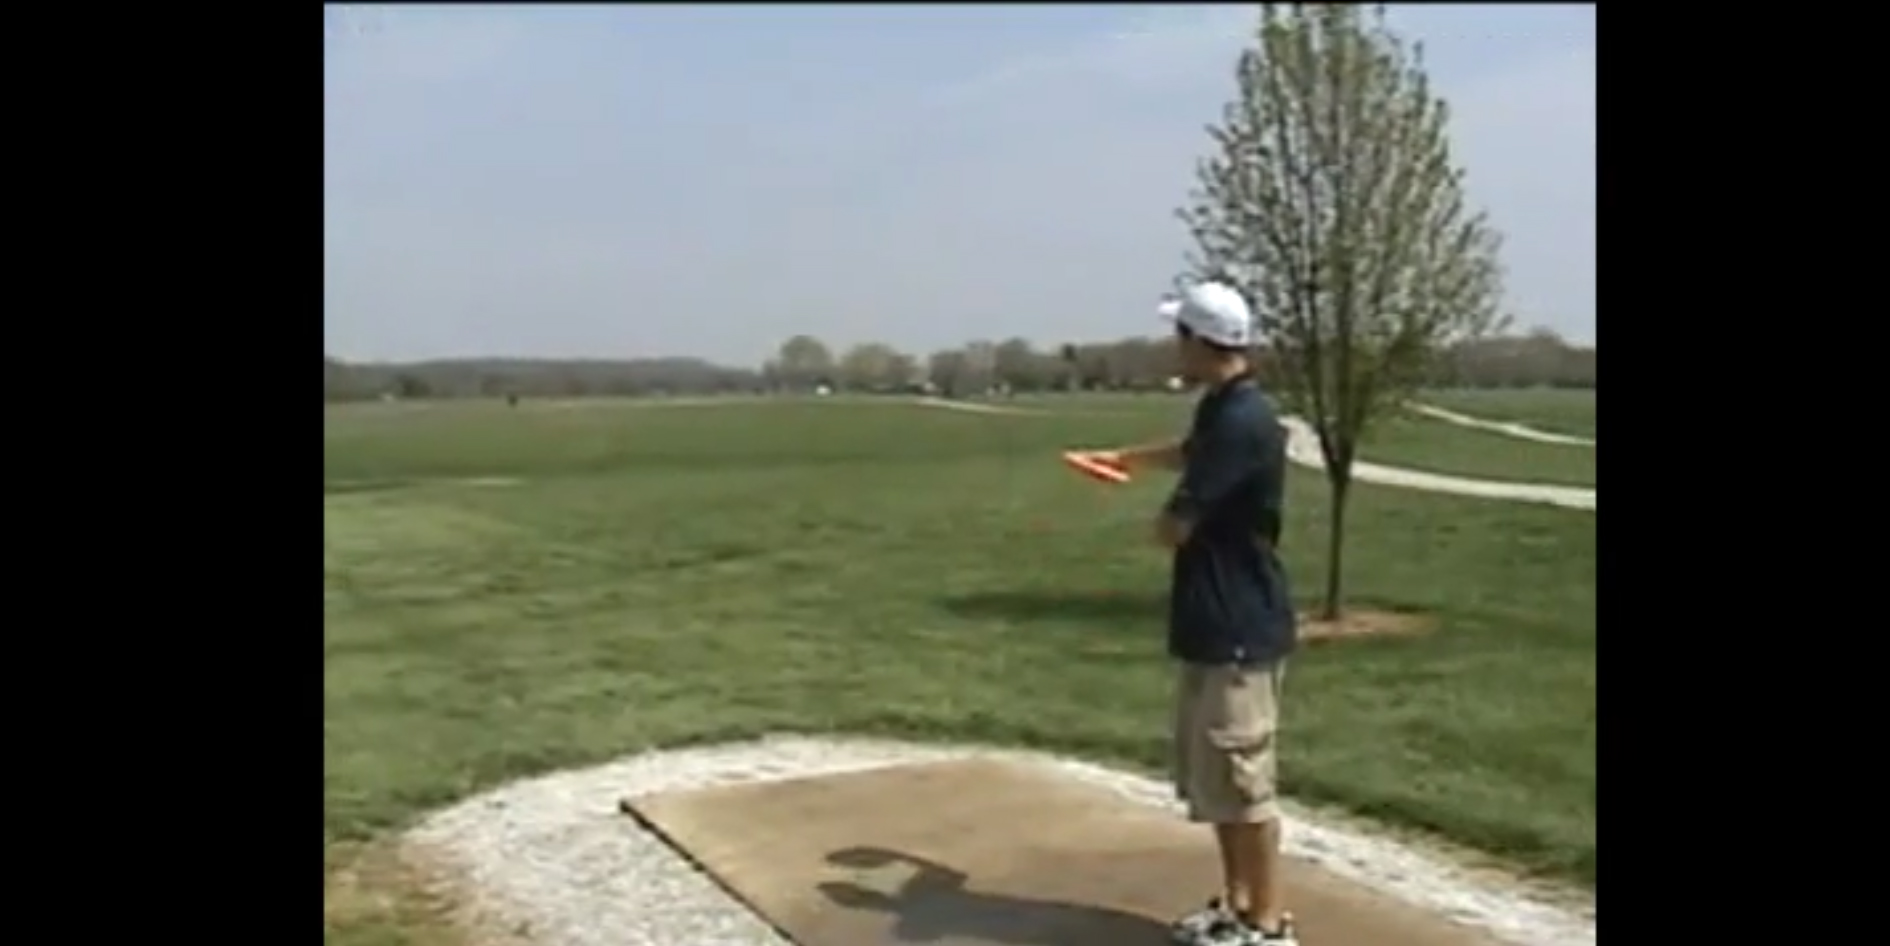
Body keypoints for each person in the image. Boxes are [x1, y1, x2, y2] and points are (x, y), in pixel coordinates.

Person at [1073, 281, 1298, 946]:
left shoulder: (1242, 420)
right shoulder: (1221, 408)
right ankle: (1235, 906)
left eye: (1181, 337)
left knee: (1245, 783)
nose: (1175, 348)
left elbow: (1177, 524)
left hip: (1239, 626)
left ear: (1204, 343)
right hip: (1213, 622)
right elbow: (1188, 452)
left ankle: (1268, 922)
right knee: (1218, 785)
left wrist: (1159, 517)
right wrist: (1123, 460)